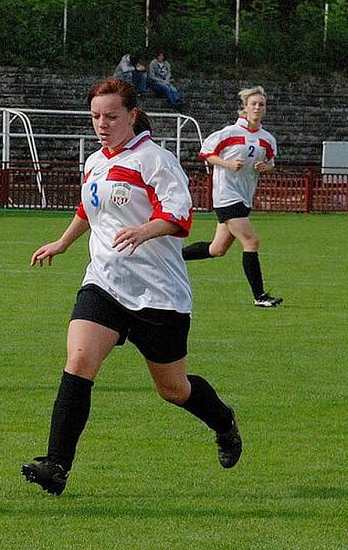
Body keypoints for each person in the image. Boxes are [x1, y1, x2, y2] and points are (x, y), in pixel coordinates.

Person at [21, 77, 241, 496]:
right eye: (95, 117)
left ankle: (223, 421)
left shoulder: (155, 160)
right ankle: (56, 465)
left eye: (111, 116)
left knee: (174, 389)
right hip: (104, 283)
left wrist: (145, 230)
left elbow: (179, 216)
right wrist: (63, 243)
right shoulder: (95, 162)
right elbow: (89, 207)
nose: (102, 124)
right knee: (80, 359)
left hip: (159, 293)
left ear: (133, 115)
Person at [181, 86, 282, 307]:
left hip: (245, 197)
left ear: (265, 109)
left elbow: (271, 164)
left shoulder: (267, 139)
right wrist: (227, 163)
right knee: (251, 241)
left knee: (217, 249)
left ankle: (171, 258)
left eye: (261, 104)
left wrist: (266, 167)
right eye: (253, 104)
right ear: (244, 108)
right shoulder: (228, 133)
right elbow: (206, 154)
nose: (257, 107)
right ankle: (260, 296)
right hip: (226, 196)